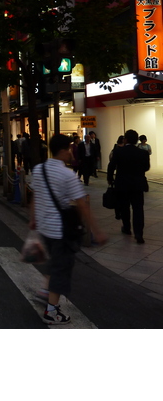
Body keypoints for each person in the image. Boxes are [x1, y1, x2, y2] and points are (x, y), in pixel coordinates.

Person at [29, 134, 107, 325]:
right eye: (69, 148)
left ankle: (45, 292)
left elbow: (35, 196)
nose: (71, 151)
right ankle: (52, 312)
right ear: (63, 150)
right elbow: (82, 205)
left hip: (45, 228)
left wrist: (33, 219)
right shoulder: (67, 175)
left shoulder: (39, 170)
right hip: (61, 231)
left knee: (55, 262)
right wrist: (97, 231)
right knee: (61, 269)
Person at [107, 129, 150, 244]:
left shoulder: (119, 151)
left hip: (122, 184)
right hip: (138, 184)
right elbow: (146, 167)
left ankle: (127, 228)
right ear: (137, 140)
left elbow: (111, 166)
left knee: (124, 207)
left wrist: (110, 179)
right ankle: (139, 234)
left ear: (125, 139)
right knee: (138, 209)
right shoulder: (143, 153)